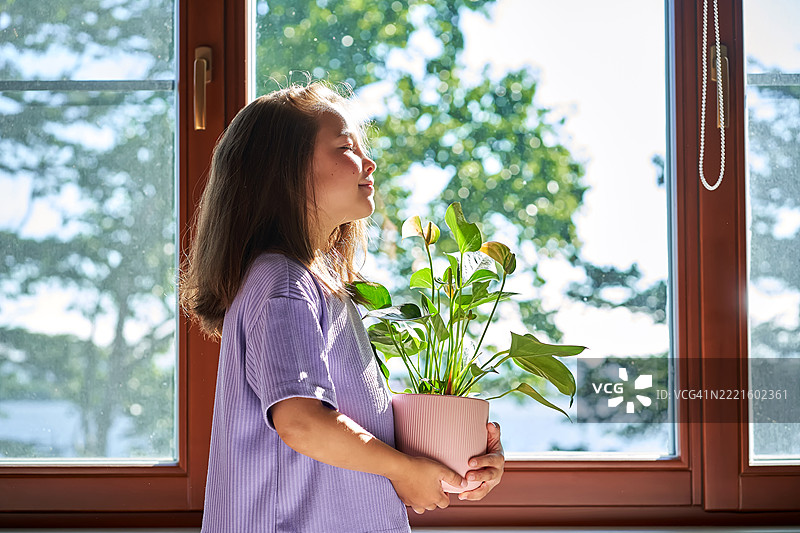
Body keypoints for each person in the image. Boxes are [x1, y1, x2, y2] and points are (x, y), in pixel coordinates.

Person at [180, 81, 504, 533]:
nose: (370, 163)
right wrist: (404, 470)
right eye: (346, 147)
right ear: (284, 171)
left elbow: (352, 419)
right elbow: (302, 423)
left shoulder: (318, 285)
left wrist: (460, 451)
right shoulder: (284, 286)